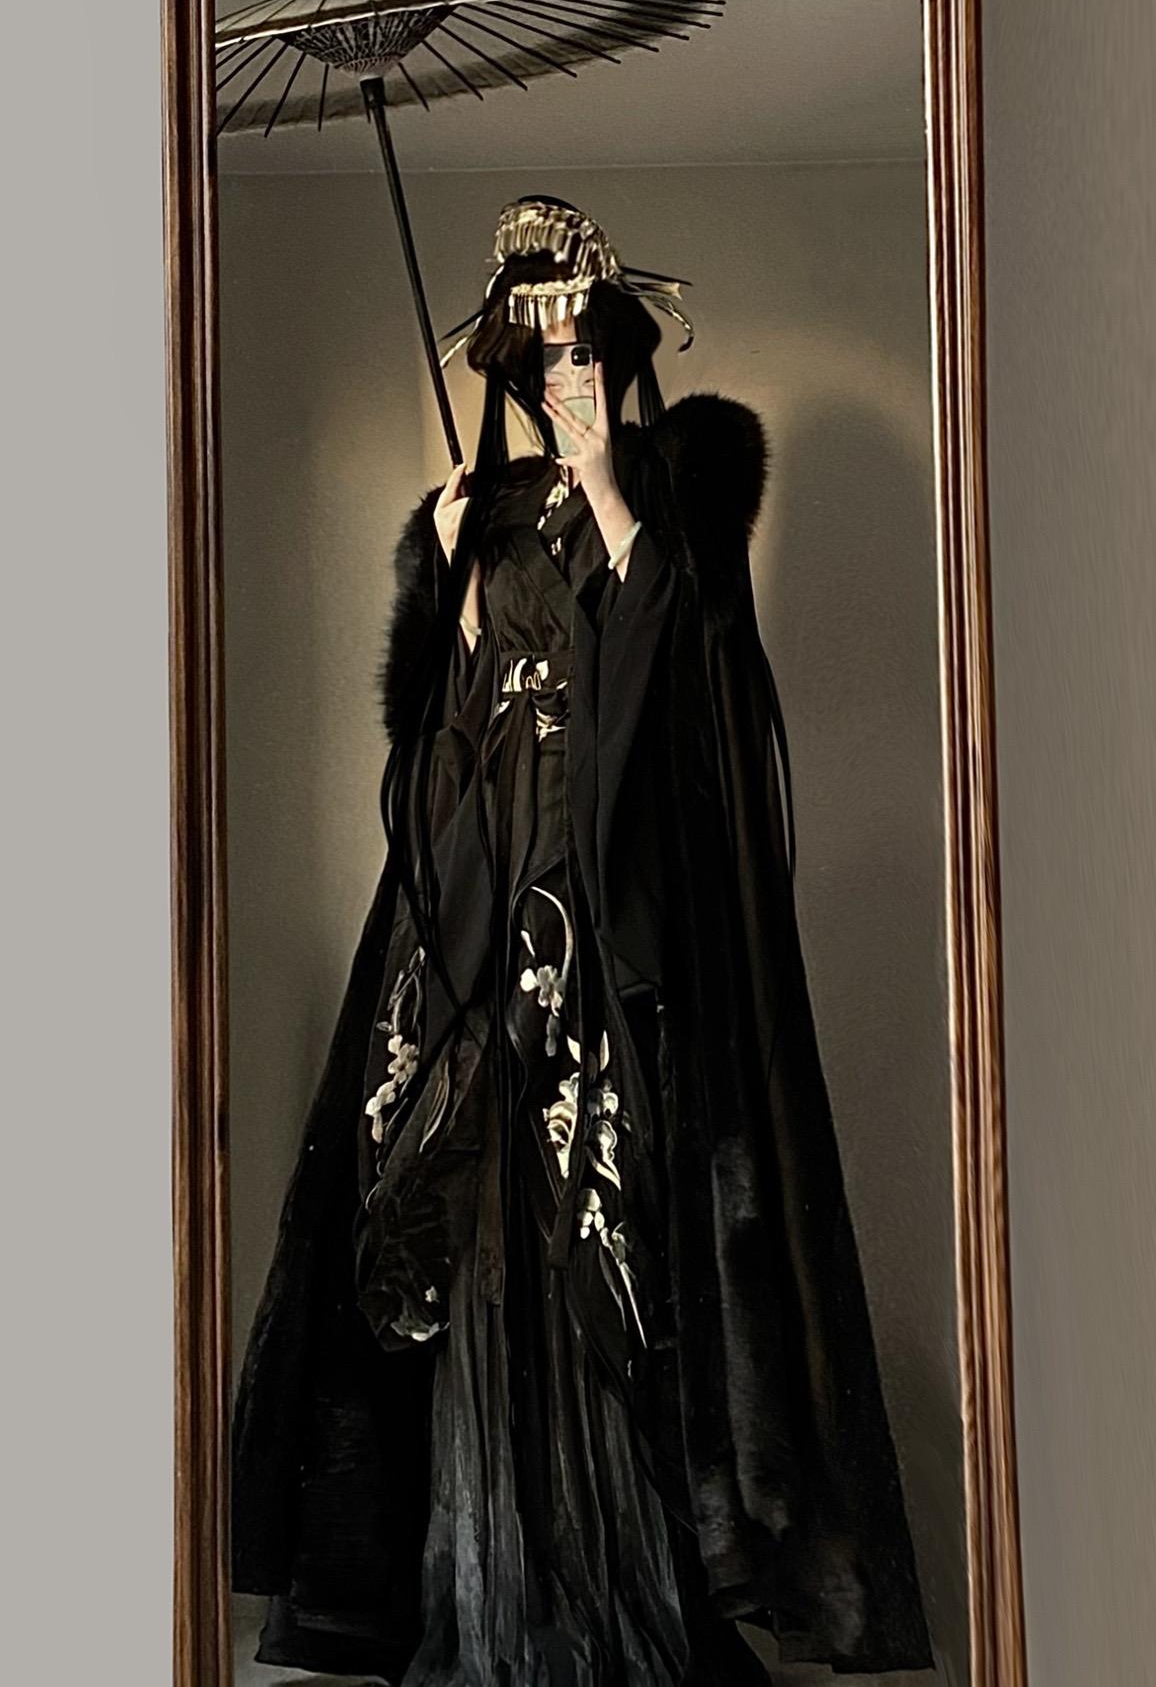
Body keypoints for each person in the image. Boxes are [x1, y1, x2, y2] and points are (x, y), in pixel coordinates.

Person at [231, 196, 933, 1685]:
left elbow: (683, 705)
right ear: (507, 367)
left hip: (613, 954)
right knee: (482, 1278)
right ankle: (495, 1606)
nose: (562, 379)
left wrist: (613, 497)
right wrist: (448, 600)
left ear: (618, 354)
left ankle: (629, 1611)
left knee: (616, 1274)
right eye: (539, 356)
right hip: (485, 945)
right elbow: (440, 759)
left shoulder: (673, 496)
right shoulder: (473, 525)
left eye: (582, 350)